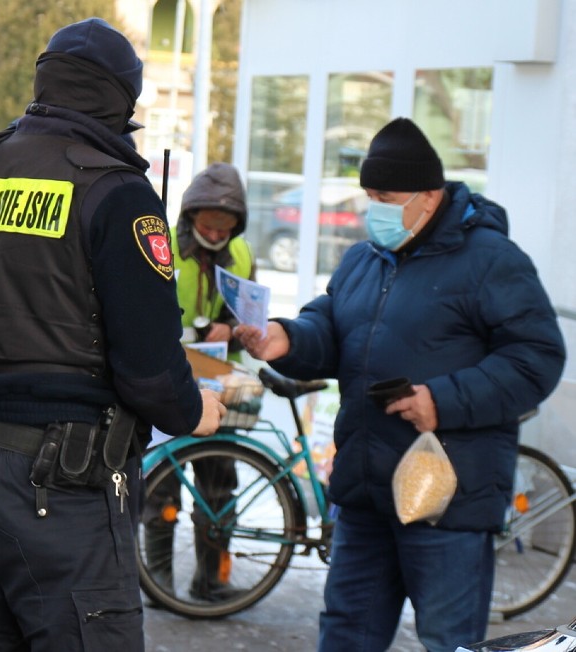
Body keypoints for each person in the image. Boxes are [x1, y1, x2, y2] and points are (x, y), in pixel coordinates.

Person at [0, 17, 226, 651]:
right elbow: (147, 366)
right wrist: (194, 410)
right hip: (63, 483)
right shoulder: (116, 191)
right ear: (120, 100)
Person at [235, 117, 566, 652]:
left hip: (447, 502)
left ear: (430, 197)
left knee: (447, 641)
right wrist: (287, 341)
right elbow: (332, 326)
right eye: (370, 196)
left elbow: (538, 358)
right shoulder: (364, 260)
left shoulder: (492, 262)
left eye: (385, 196)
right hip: (367, 492)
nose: (375, 209)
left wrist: (443, 401)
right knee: (345, 631)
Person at [142, 162, 255, 603]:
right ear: (190, 216)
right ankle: (158, 582)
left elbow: (250, 312)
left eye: (225, 223)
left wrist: (232, 326)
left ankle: (213, 579)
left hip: (221, 381)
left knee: (219, 487)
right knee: (163, 485)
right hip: (173, 378)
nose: (215, 229)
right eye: (207, 221)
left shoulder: (243, 253)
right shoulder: (161, 244)